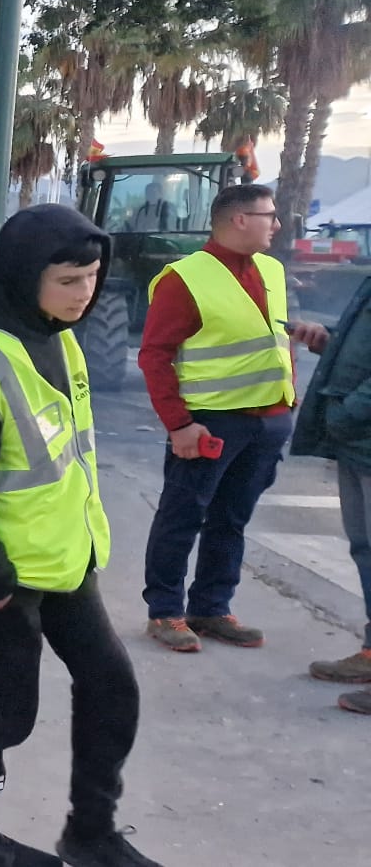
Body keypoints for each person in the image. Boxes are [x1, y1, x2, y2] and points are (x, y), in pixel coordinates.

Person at [0, 204, 162, 867]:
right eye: (67, 280)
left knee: (112, 687)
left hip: (64, 565)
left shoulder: (60, 340)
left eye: (91, 277)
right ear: (26, 277)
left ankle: (91, 830)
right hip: (4, 578)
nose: (83, 292)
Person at [137, 184, 328, 652]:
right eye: (269, 216)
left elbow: (272, 335)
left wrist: (312, 339)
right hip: (210, 423)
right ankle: (165, 611)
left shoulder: (272, 270)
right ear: (239, 219)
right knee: (182, 517)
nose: (277, 225)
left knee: (232, 519)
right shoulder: (185, 278)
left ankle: (211, 607)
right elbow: (155, 355)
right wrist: (179, 425)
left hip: (268, 421)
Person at [288, 264, 371, 715]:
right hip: (359, 441)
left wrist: (346, 413)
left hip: (360, 429)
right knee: (365, 549)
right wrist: (331, 342)